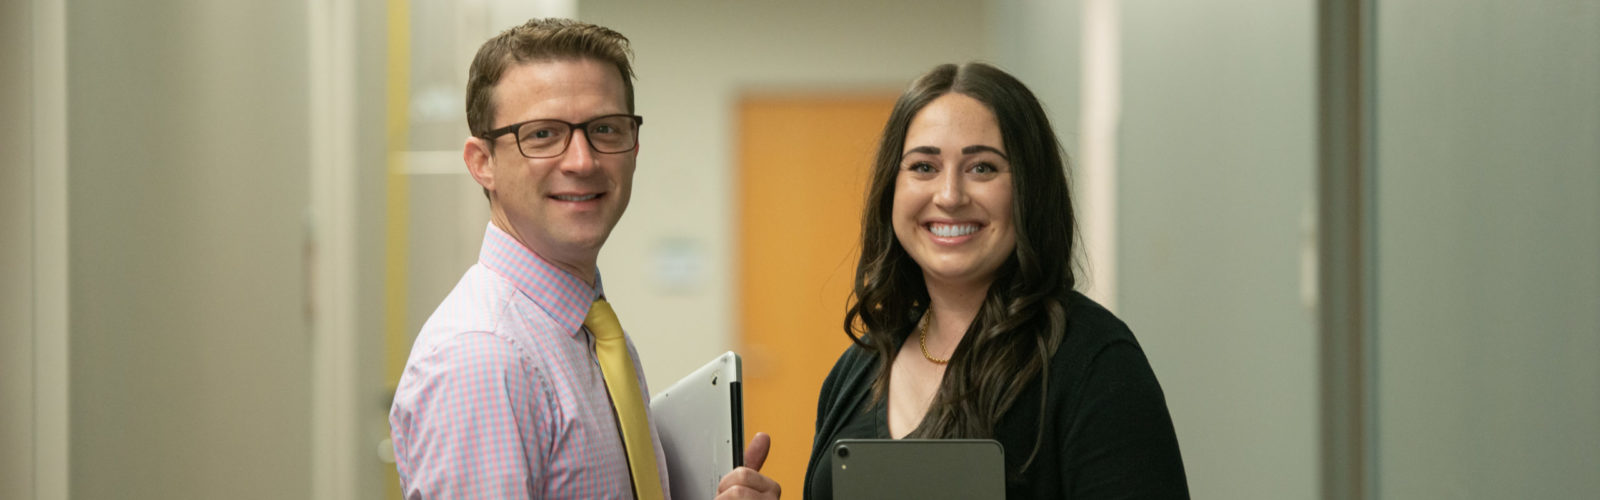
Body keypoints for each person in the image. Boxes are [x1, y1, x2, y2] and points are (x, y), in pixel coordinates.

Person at [389, 18, 779, 500]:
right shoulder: (484, 357)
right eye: (543, 134)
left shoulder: (588, 330)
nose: (582, 161)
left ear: (634, 146)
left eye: (605, 129)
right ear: (482, 162)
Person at [803, 62, 1190, 499]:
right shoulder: (858, 368)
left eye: (982, 168)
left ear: (1029, 189)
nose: (949, 196)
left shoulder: (1091, 361)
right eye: (924, 167)